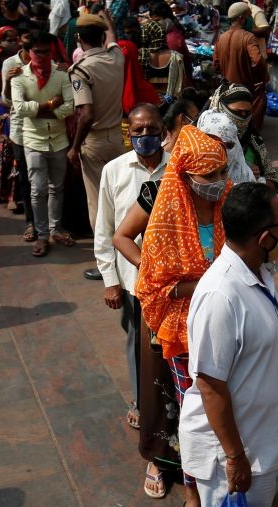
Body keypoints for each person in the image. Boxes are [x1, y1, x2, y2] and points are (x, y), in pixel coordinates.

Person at [180, 181, 278, 507]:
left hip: (264, 441)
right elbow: (210, 385)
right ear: (264, 238)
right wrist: (235, 457)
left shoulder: (258, 272)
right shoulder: (220, 296)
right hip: (240, 454)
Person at [134, 124, 231, 507]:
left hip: (228, 325)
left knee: (229, 410)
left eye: (222, 173)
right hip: (184, 334)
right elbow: (154, 286)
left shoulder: (230, 206)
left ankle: (230, 482)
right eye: (208, 177)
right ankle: (192, 496)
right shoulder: (164, 220)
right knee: (195, 418)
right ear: (187, 177)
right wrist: (213, 279)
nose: (217, 183)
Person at [95, 103, 169, 431]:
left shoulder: (176, 168)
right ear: (128, 132)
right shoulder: (114, 170)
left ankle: (170, 398)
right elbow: (105, 229)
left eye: (151, 129)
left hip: (172, 280)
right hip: (131, 281)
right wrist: (110, 280)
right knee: (137, 342)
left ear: (162, 130)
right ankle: (141, 400)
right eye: (137, 130)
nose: (144, 136)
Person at [67, 11, 124, 281]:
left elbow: (86, 114)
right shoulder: (116, 56)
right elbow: (113, 39)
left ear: (79, 39)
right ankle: (124, 255)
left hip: (95, 141)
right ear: (102, 36)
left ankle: (106, 267)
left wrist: (74, 146)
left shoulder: (81, 70)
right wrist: (108, 21)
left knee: (98, 207)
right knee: (120, 199)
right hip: (118, 139)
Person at [11, 30, 75, 257]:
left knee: (56, 188)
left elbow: (70, 106)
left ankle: (55, 229)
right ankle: (42, 235)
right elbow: (19, 109)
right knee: (38, 191)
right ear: (29, 53)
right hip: (33, 140)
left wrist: (38, 110)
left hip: (58, 140)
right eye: (37, 51)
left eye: (46, 51)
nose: (42, 55)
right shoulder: (18, 77)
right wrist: (49, 105)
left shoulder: (61, 75)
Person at [208, 82, 278, 190]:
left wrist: (256, 179)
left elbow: (273, 180)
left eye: (247, 113)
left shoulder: (254, 141)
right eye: (238, 112)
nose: (242, 118)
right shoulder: (203, 141)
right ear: (220, 107)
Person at [1, 26, 36, 236]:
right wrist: (7, 81)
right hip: (20, 129)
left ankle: (48, 223)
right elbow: (6, 101)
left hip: (43, 128)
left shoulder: (43, 64)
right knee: (26, 176)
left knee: (43, 179)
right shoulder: (10, 64)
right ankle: (31, 222)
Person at [213, 2, 268, 132]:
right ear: (241, 18)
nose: (250, 20)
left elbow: (215, 65)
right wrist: (263, 78)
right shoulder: (248, 37)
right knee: (260, 103)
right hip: (246, 89)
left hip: (227, 89)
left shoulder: (221, 38)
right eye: (248, 16)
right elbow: (258, 60)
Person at [196, 110, 253, 185]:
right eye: (216, 145)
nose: (223, 151)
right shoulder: (190, 175)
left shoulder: (247, 176)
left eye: (229, 145)